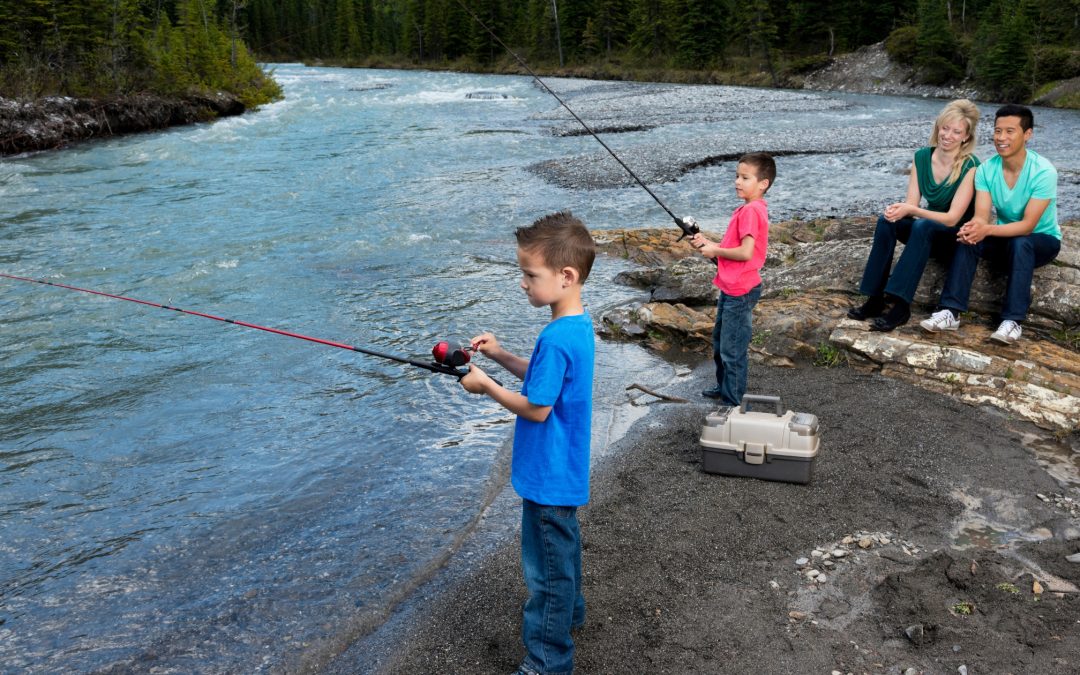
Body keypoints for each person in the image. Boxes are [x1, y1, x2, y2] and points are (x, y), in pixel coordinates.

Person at [460, 211, 596, 675]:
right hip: (564, 471)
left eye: (529, 274)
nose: (522, 283)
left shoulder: (557, 337)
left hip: (548, 475)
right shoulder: (575, 326)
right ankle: (571, 615)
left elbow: (537, 407)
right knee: (564, 554)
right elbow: (544, 383)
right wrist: (498, 355)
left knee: (546, 577)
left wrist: (487, 387)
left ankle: (547, 660)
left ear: (566, 276)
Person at [919, 104, 1060, 345]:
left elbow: (1027, 226)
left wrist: (987, 229)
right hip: (1006, 237)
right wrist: (976, 228)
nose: (1001, 138)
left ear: (1027, 134)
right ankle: (950, 311)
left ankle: (1012, 321)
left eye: (1009, 131)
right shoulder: (986, 169)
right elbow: (982, 216)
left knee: (1021, 242)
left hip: (1041, 240)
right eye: (997, 131)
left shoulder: (1044, 171)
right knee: (969, 235)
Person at [847, 99, 981, 331]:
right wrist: (899, 211)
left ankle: (900, 305)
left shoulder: (971, 166)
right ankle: (875, 299)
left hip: (954, 237)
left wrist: (912, 211)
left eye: (956, 131)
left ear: (966, 137)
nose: (947, 135)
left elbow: (951, 218)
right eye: (944, 128)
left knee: (922, 226)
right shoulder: (921, 157)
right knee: (887, 221)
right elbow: (912, 203)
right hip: (927, 230)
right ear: (938, 127)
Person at [690, 152, 775, 406]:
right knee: (720, 344)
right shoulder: (748, 209)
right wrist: (707, 243)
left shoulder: (751, 211)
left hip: (740, 290)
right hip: (731, 287)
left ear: (763, 184)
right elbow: (734, 249)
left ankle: (733, 403)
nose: (738, 181)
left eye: (745, 177)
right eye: (737, 176)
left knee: (732, 350)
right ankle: (724, 386)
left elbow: (746, 253)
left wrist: (714, 250)